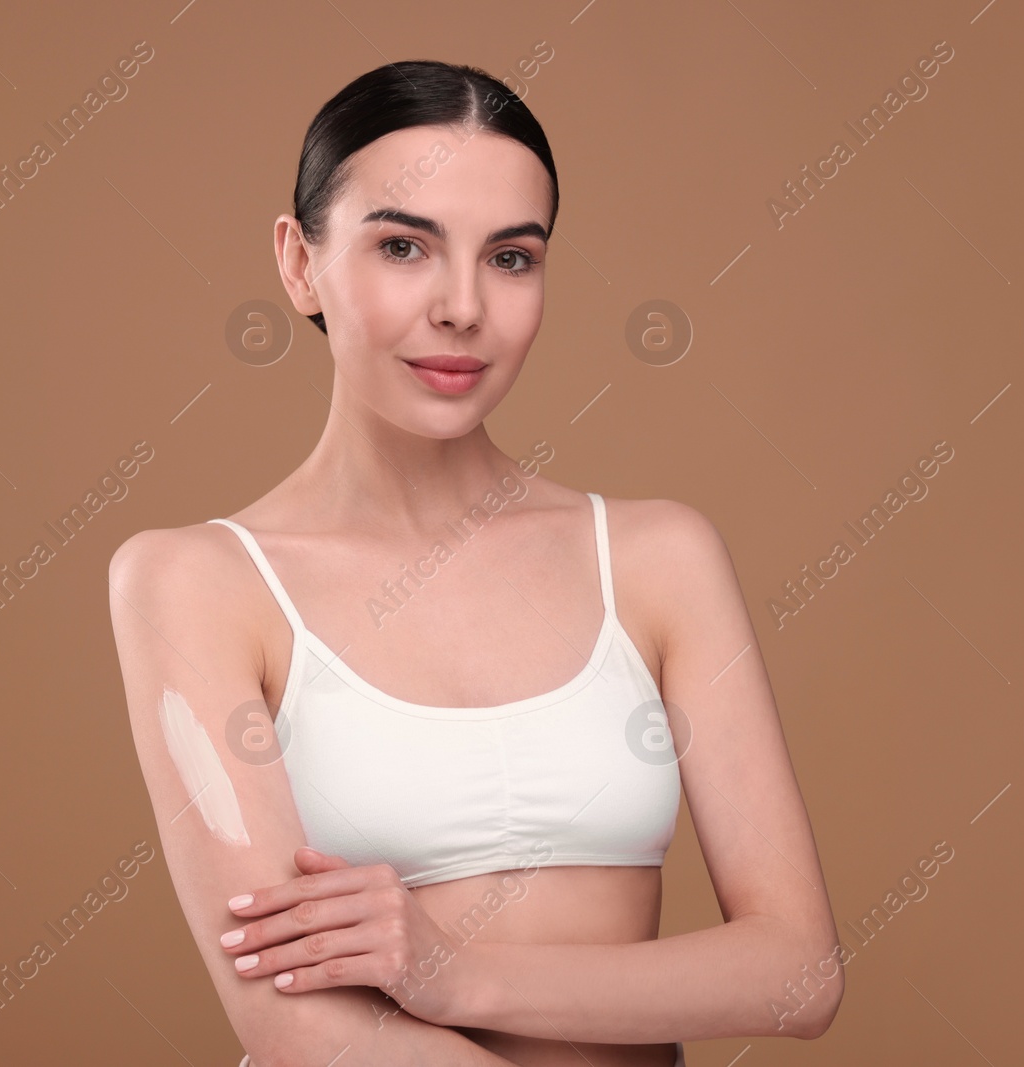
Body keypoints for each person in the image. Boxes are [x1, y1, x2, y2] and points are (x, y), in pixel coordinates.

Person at [108, 59, 843, 1066]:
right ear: (298, 262)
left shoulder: (657, 558)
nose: (461, 307)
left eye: (510, 258)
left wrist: (457, 968)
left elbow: (798, 971)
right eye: (404, 246)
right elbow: (289, 1018)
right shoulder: (194, 583)